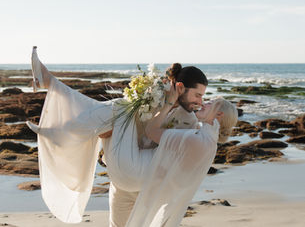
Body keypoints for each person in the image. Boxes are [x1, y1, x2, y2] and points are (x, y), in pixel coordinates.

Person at [27, 47, 238, 227]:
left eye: (203, 98)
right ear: (180, 88)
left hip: (140, 181)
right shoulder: (154, 95)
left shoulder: (191, 124)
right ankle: (52, 98)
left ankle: (52, 100)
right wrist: (107, 142)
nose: (200, 102)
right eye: (198, 95)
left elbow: (165, 153)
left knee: (119, 106)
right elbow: (113, 125)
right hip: (123, 178)